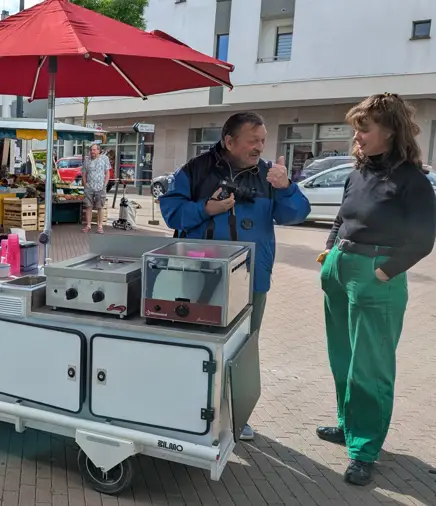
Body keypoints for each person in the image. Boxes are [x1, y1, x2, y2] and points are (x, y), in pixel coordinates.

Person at [159, 112, 310, 442]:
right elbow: (170, 210)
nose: (259, 147)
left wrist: (285, 187)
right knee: (197, 344)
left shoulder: (270, 175)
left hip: (252, 278)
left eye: (263, 141)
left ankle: (235, 417)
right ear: (229, 141)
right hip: (200, 278)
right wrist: (205, 210)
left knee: (243, 349)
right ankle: (190, 410)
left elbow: (297, 214)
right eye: (252, 140)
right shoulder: (195, 170)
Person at [316, 94, 435, 486]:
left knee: (370, 367)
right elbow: (341, 217)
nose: (357, 136)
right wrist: (330, 250)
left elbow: (422, 239)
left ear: (390, 130)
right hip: (339, 269)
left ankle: (364, 449)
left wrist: (385, 272)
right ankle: (348, 424)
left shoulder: (412, 180)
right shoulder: (358, 173)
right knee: (342, 358)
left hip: (375, 274)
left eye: (364, 128)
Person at [82, 143, 111, 234]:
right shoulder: (87, 160)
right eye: (91, 150)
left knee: (100, 207)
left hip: (100, 187)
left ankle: (100, 226)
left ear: (99, 150)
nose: (92, 152)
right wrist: (85, 184)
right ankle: (88, 225)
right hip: (89, 187)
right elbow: (84, 173)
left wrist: (105, 184)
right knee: (88, 206)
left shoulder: (104, 159)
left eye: (94, 150)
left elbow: (107, 172)